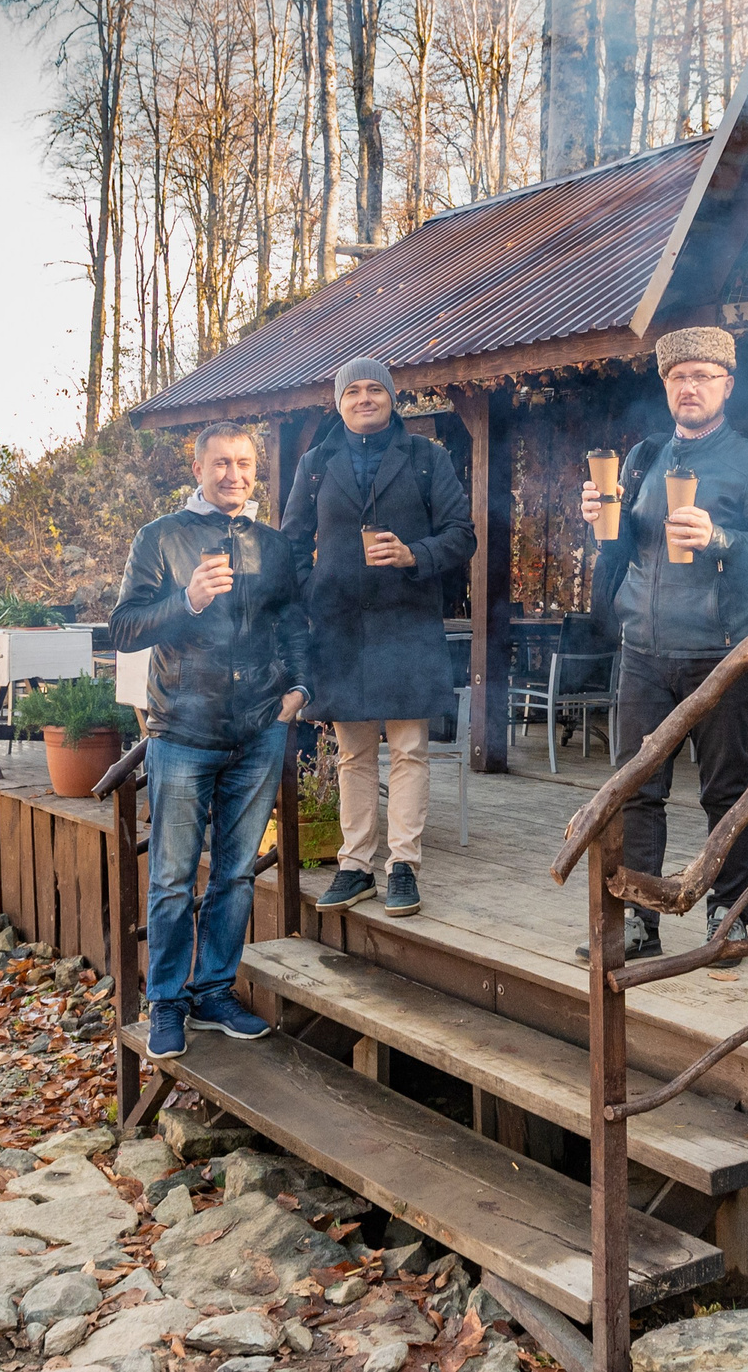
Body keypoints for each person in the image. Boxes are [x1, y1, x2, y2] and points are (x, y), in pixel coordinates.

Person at [577, 326, 748, 960]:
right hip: (643, 651)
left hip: (720, 655)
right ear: (666, 385)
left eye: (703, 376)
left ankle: (728, 917)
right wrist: (600, 523)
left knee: (727, 793)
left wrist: (721, 537)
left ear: (727, 385)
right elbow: (626, 550)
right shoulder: (644, 458)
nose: (690, 387)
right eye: (679, 376)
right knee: (635, 789)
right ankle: (641, 922)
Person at [108, 421, 311, 1061]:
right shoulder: (160, 539)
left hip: (257, 732)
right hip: (184, 731)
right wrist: (187, 600)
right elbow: (124, 628)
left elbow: (294, 627)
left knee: (236, 875)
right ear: (197, 469)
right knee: (171, 878)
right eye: (220, 463)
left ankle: (214, 991)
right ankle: (166, 1002)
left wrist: (300, 690)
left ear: (256, 470)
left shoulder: (273, 547)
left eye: (244, 463)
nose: (234, 474)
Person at [281, 357, 476, 919]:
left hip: (408, 622)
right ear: (338, 403)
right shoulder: (316, 465)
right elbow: (292, 544)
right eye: (353, 392)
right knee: (353, 753)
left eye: (375, 390)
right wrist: (314, 588)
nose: (365, 399)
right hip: (338, 628)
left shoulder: (425, 458)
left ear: (393, 398)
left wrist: (416, 554)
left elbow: (462, 536)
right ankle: (354, 864)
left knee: (411, 749)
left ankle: (404, 867)